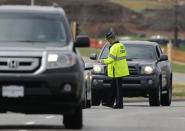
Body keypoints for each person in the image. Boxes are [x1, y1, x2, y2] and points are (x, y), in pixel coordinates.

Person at [97, 31, 129, 109]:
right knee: (114, 87)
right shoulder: (121, 45)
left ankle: (119, 104)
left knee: (118, 89)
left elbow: (110, 60)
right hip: (121, 69)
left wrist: (101, 61)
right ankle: (110, 102)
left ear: (109, 39)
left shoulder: (114, 47)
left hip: (117, 70)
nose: (108, 42)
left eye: (108, 40)